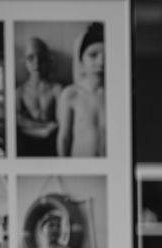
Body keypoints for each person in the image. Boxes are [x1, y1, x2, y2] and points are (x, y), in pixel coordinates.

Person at [57, 24, 105, 157]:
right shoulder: (71, 95)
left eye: (107, 56)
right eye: (93, 55)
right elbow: (64, 138)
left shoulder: (117, 96)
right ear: (81, 60)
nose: (101, 62)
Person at [17, 37, 61, 156]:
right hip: (28, 146)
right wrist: (45, 127)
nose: (36, 63)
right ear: (24, 61)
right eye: (31, 57)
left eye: (41, 57)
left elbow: (61, 123)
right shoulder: (20, 92)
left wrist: (29, 125)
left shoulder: (56, 89)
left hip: (51, 146)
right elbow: (17, 120)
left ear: (47, 60)